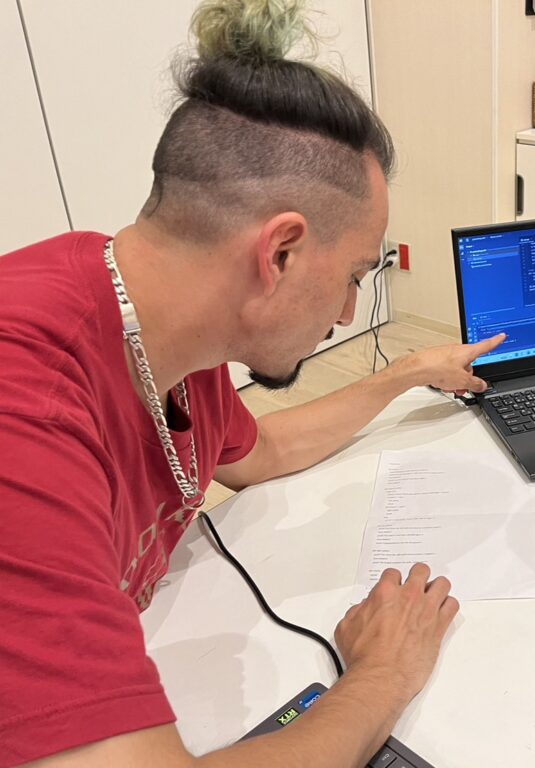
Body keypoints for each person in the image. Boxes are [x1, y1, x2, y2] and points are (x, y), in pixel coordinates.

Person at [0, 2, 504, 766]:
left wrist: (406, 374)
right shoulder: (25, 407)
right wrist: (383, 675)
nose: (347, 315)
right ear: (280, 254)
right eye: (354, 277)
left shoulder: (165, 318)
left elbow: (259, 450)